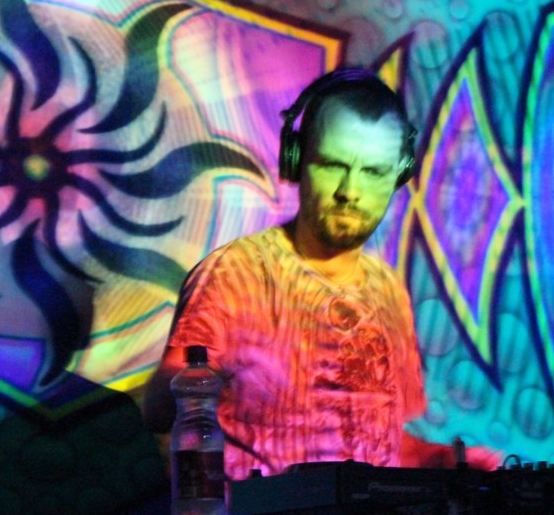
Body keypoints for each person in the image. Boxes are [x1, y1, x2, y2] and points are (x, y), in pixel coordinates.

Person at [143, 68, 497, 480]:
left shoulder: (388, 291)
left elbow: (385, 442)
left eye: (373, 172)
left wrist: (441, 459)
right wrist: (203, 382)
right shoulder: (235, 275)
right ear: (296, 161)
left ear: (399, 175)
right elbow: (160, 411)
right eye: (332, 165)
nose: (350, 191)